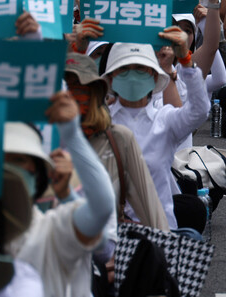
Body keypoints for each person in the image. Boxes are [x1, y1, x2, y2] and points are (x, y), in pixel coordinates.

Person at [3, 92, 115, 297]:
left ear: (36, 173)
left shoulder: (52, 229)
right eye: (2, 162)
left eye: (18, 160)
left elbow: (102, 207)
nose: (8, 171)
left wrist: (72, 135)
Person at [103, 30, 209, 232]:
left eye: (140, 69)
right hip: (108, 236)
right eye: (124, 69)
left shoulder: (165, 120)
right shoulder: (100, 120)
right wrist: (77, 52)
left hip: (158, 234)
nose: (132, 76)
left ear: (153, 76)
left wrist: (186, 59)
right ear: (110, 79)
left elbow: (199, 111)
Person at [64, 52, 170, 231]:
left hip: (106, 252)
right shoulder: (41, 141)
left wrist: (165, 253)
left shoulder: (118, 139)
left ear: (95, 95)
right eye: (66, 89)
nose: (74, 98)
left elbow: (152, 214)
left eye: (82, 89)